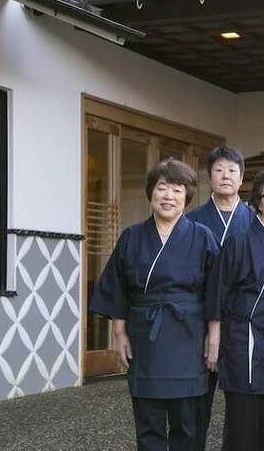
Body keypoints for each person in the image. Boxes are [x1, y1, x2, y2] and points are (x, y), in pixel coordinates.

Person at [89, 158, 220, 451]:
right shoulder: (132, 237)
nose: (169, 196)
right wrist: (119, 334)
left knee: (188, 421)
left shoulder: (202, 237)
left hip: (188, 336)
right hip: (145, 336)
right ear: (151, 193)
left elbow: (216, 292)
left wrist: (214, 336)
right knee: (148, 420)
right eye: (162, 188)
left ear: (186, 196)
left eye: (176, 189)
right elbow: (117, 287)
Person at [206, 167, 264, 451]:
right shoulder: (239, 241)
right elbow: (217, 292)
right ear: (258, 201)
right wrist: (214, 340)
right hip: (241, 337)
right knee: (242, 425)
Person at [188, 146, 255, 246]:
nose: (226, 176)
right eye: (219, 170)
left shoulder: (255, 220)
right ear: (209, 178)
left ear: (241, 178)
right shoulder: (192, 220)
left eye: (231, 170)